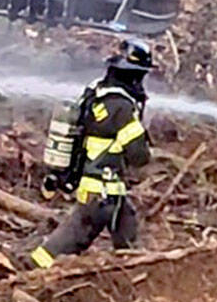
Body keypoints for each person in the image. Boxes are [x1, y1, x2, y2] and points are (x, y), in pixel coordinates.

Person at [28, 39, 153, 269]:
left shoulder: (97, 92)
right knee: (69, 241)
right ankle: (29, 271)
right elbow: (139, 156)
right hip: (100, 194)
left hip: (108, 192)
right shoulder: (122, 108)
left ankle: (136, 280)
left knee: (130, 242)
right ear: (135, 75)